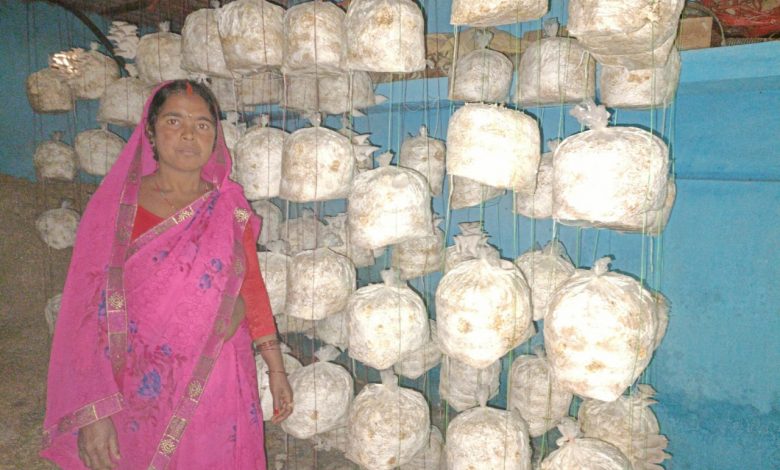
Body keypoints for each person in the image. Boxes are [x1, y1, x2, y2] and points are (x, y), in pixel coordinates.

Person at [41, 80, 292, 469]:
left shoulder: (228, 206)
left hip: (216, 381)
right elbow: (84, 314)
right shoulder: (115, 209)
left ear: (215, 137)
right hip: (134, 390)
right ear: (151, 131)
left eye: (202, 124)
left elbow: (251, 288)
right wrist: (93, 411)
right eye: (174, 121)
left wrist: (276, 368)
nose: (189, 134)